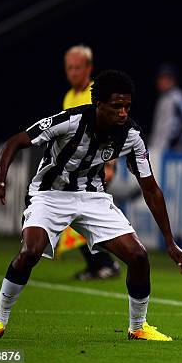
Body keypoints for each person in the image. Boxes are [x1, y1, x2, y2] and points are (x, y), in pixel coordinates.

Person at [0, 70, 182, 341]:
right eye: (116, 106)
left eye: (127, 106)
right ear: (98, 104)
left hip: (92, 197)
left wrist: (169, 242)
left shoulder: (131, 135)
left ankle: (138, 327)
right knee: (30, 252)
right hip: (48, 195)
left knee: (138, 257)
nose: (123, 113)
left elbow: (150, 188)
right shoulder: (70, 121)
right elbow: (16, 142)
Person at [62, 44, 121, 280]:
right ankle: (99, 265)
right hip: (76, 170)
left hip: (97, 168)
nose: (73, 72)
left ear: (88, 68)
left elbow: (114, 129)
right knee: (76, 219)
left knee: (85, 219)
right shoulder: (69, 96)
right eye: (69, 68)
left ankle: (106, 264)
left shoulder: (97, 94)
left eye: (77, 67)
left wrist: (110, 165)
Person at [148, 64, 182, 151]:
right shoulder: (163, 98)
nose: (159, 82)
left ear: (171, 80)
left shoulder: (177, 96)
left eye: (162, 78)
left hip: (171, 149)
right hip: (158, 147)